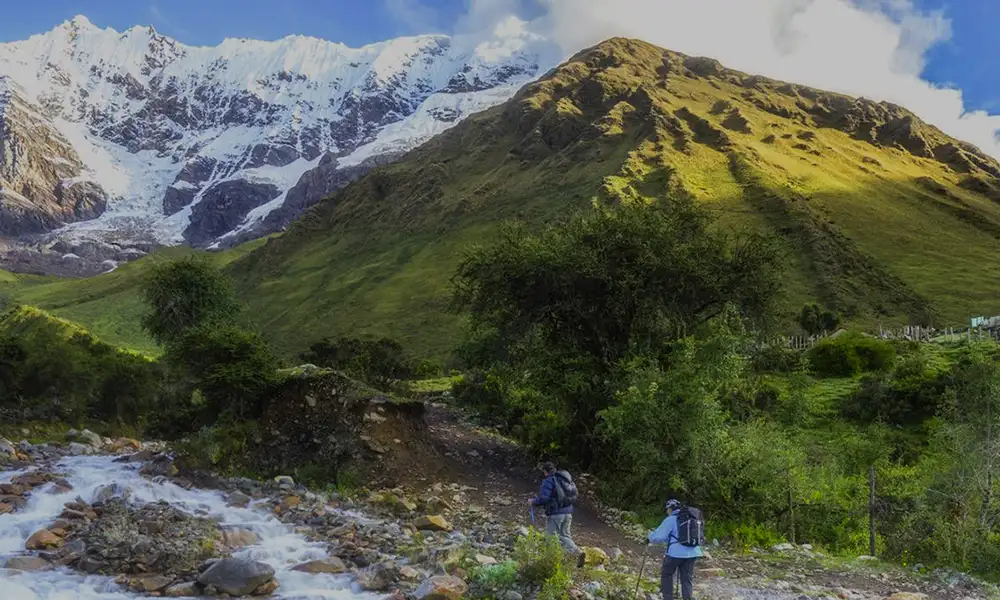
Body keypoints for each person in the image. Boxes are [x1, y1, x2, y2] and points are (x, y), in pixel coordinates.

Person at [529, 461, 585, 567]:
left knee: (551, 537)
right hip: (568, 512)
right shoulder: (564, 479)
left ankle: (551, 563)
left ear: (545, 471)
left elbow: (544, 498)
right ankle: (577, 552)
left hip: (555, 513)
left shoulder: (549, 481)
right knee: (565, 535)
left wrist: (533, 501)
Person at [648, 499, 703, 600]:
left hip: (675, 554)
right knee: (686, 579)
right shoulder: (691, 518)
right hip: (693, 552)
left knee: (667, 574)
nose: (667, 511)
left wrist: (650, 536)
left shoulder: (671, 519)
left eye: (667, 509)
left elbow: (658, 537)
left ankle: (668, 598)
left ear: (670, 509)